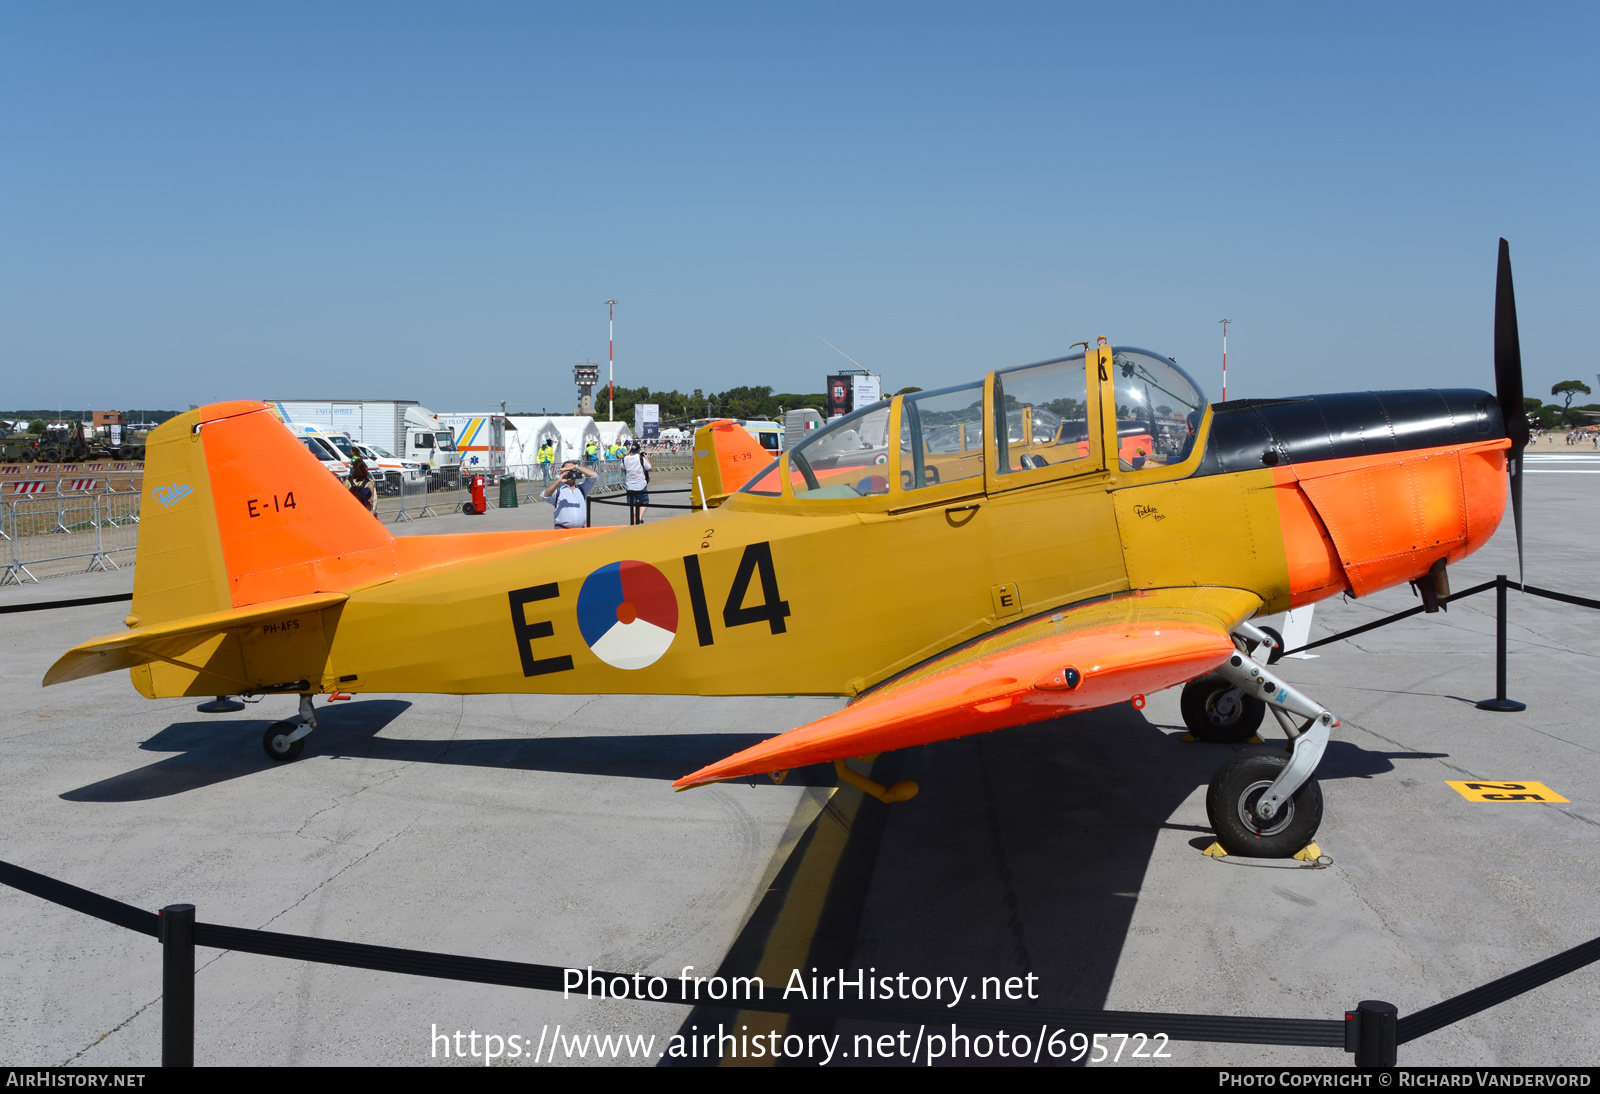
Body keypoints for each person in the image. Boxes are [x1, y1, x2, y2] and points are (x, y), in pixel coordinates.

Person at [542, 460, 597, 529]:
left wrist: (576, 467)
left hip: (580, 531)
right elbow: (544, 496)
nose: (570, 473)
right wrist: (558, 482)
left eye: (572, 470)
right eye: (567, 470)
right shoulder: (558, 490)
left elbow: (594, 476)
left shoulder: (581, 489)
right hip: (562, 530)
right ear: (562, 472)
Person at [621, 442, 653, 524]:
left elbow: (623, 469)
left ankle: (635, 520)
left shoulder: (625, 458)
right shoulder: (640, 458)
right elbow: (649, 468)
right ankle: (639, 518)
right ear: (639, 450)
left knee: (633, 504)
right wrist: (646, 458)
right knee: (645, 502)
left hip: (630, 485)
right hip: (640, 484)